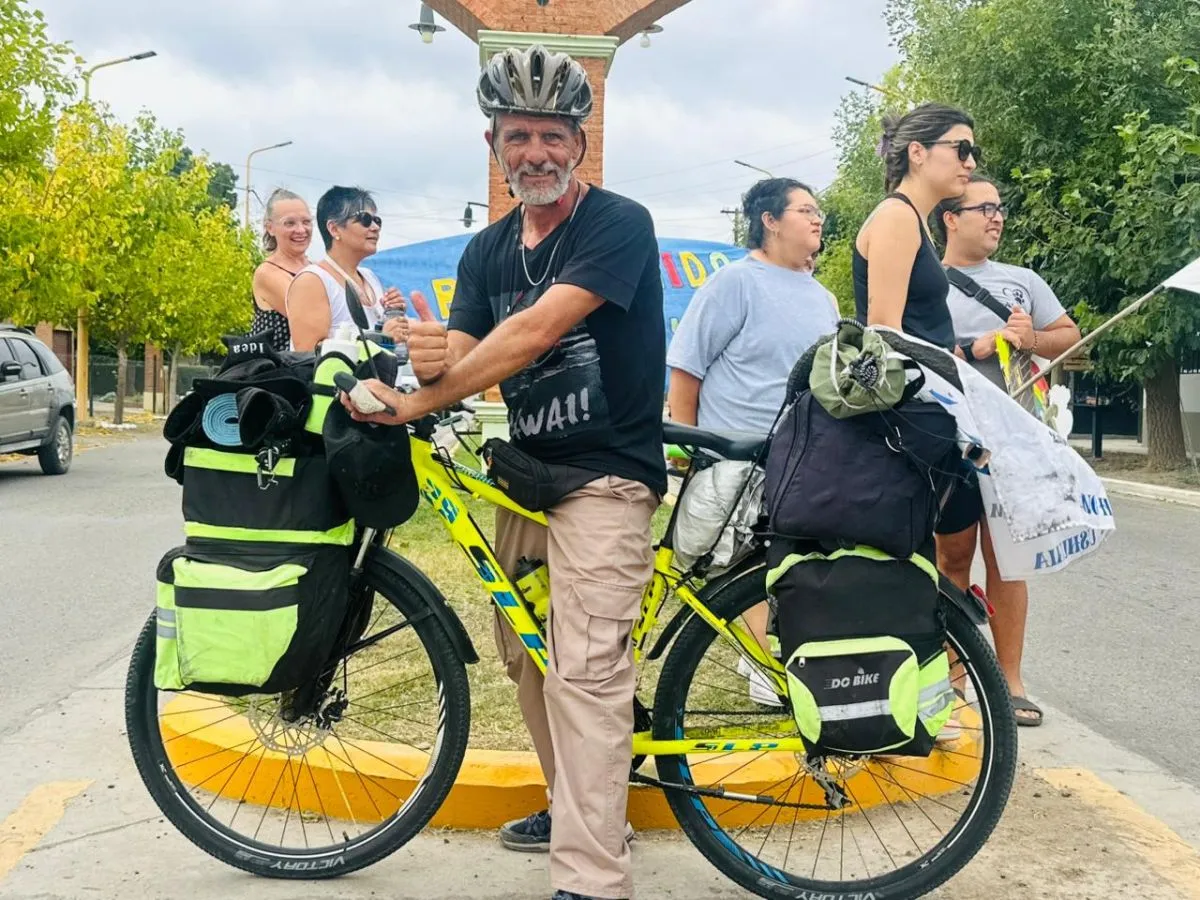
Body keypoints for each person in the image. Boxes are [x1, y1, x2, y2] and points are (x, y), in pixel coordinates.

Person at [345, 45, 664, 900]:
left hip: (605, 476)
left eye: (553, 136)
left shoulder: (618, 223)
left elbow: (535, 332)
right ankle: (577, 808)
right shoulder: (487, 251)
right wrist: (422, 357)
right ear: (493, 145)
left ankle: (592, 879)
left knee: (586, 671)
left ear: (579, 144)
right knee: (527, 656)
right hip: (527, 477)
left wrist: (420, 398)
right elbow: (466, 347)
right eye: (518, 135)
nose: (536, 153)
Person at [666, 177, 838, 706]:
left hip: (805, 459)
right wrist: (690, 451)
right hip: (735, 458)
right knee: (738, 565)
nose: (818, 219)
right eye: (805, 210)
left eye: (818, 211)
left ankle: (772, 657)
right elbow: (687, 369)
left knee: (795, 563)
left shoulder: (824, 299)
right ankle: (765, 666)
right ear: (770, 220)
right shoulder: (735, 283)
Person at [932, 173, 1081, 727]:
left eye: (1000, 208)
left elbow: (1067, 335)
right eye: (984, 208)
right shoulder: (928, 282)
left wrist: (1030, 338)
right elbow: (905, 344)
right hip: (949, 441)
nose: (996, 217)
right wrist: (970, 349)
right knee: (951, 558)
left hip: (1014, 444)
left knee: (1008, 561)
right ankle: (951, 677)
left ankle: (1010, 682)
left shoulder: (1023, 281)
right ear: (951, 218)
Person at [853, 102, 980, 348]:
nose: (971, 163)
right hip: (909, 372)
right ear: (917, 152)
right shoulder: (897, 217)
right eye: (962, 150)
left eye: (975, 152)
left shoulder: (913, 219)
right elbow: (885, 333)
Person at [285, 185, 406, 352]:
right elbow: (307, 354)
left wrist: (393, 315)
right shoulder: (312, 281)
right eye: (365, 219)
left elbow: (382, 335)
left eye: (377, 220)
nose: (375, 227)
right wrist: (382, 339)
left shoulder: (369, 277)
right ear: (334, 228)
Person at [250, 189, 312, 350]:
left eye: (306, 222)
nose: (301, 230)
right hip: (281, 364)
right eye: (290, 223)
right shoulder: (267, 273)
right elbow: (310, 316)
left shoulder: (315, 269)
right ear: (270, 228)